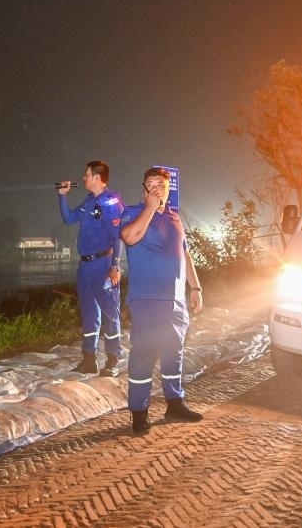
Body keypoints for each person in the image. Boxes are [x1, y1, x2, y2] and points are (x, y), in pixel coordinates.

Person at [119, 166, 204, 435]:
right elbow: (130, 237)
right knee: (143, 355)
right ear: (144, 189)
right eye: (151, 184)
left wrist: (195, 288)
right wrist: (150, 208)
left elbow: (185, 254)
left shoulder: (175, 218)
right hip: (147, 300)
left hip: (176, 301)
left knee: (174, 353)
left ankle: (174, 403)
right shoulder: (132, 212)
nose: (156, 188)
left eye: (161, 185)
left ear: (168, 189)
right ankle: (139, 412)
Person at [57, 160, 125, 376]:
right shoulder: (89, 201)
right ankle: (89, 360)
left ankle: (113, 360)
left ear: (97, 177)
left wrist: (115, 266)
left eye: (86, 175)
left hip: (103, 264)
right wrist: (62, 196)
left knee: (110, 312)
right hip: (85, 266)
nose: (83, 178)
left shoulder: (111, 201)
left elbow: (118, 236)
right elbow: (68, 219)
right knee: (88, 313)